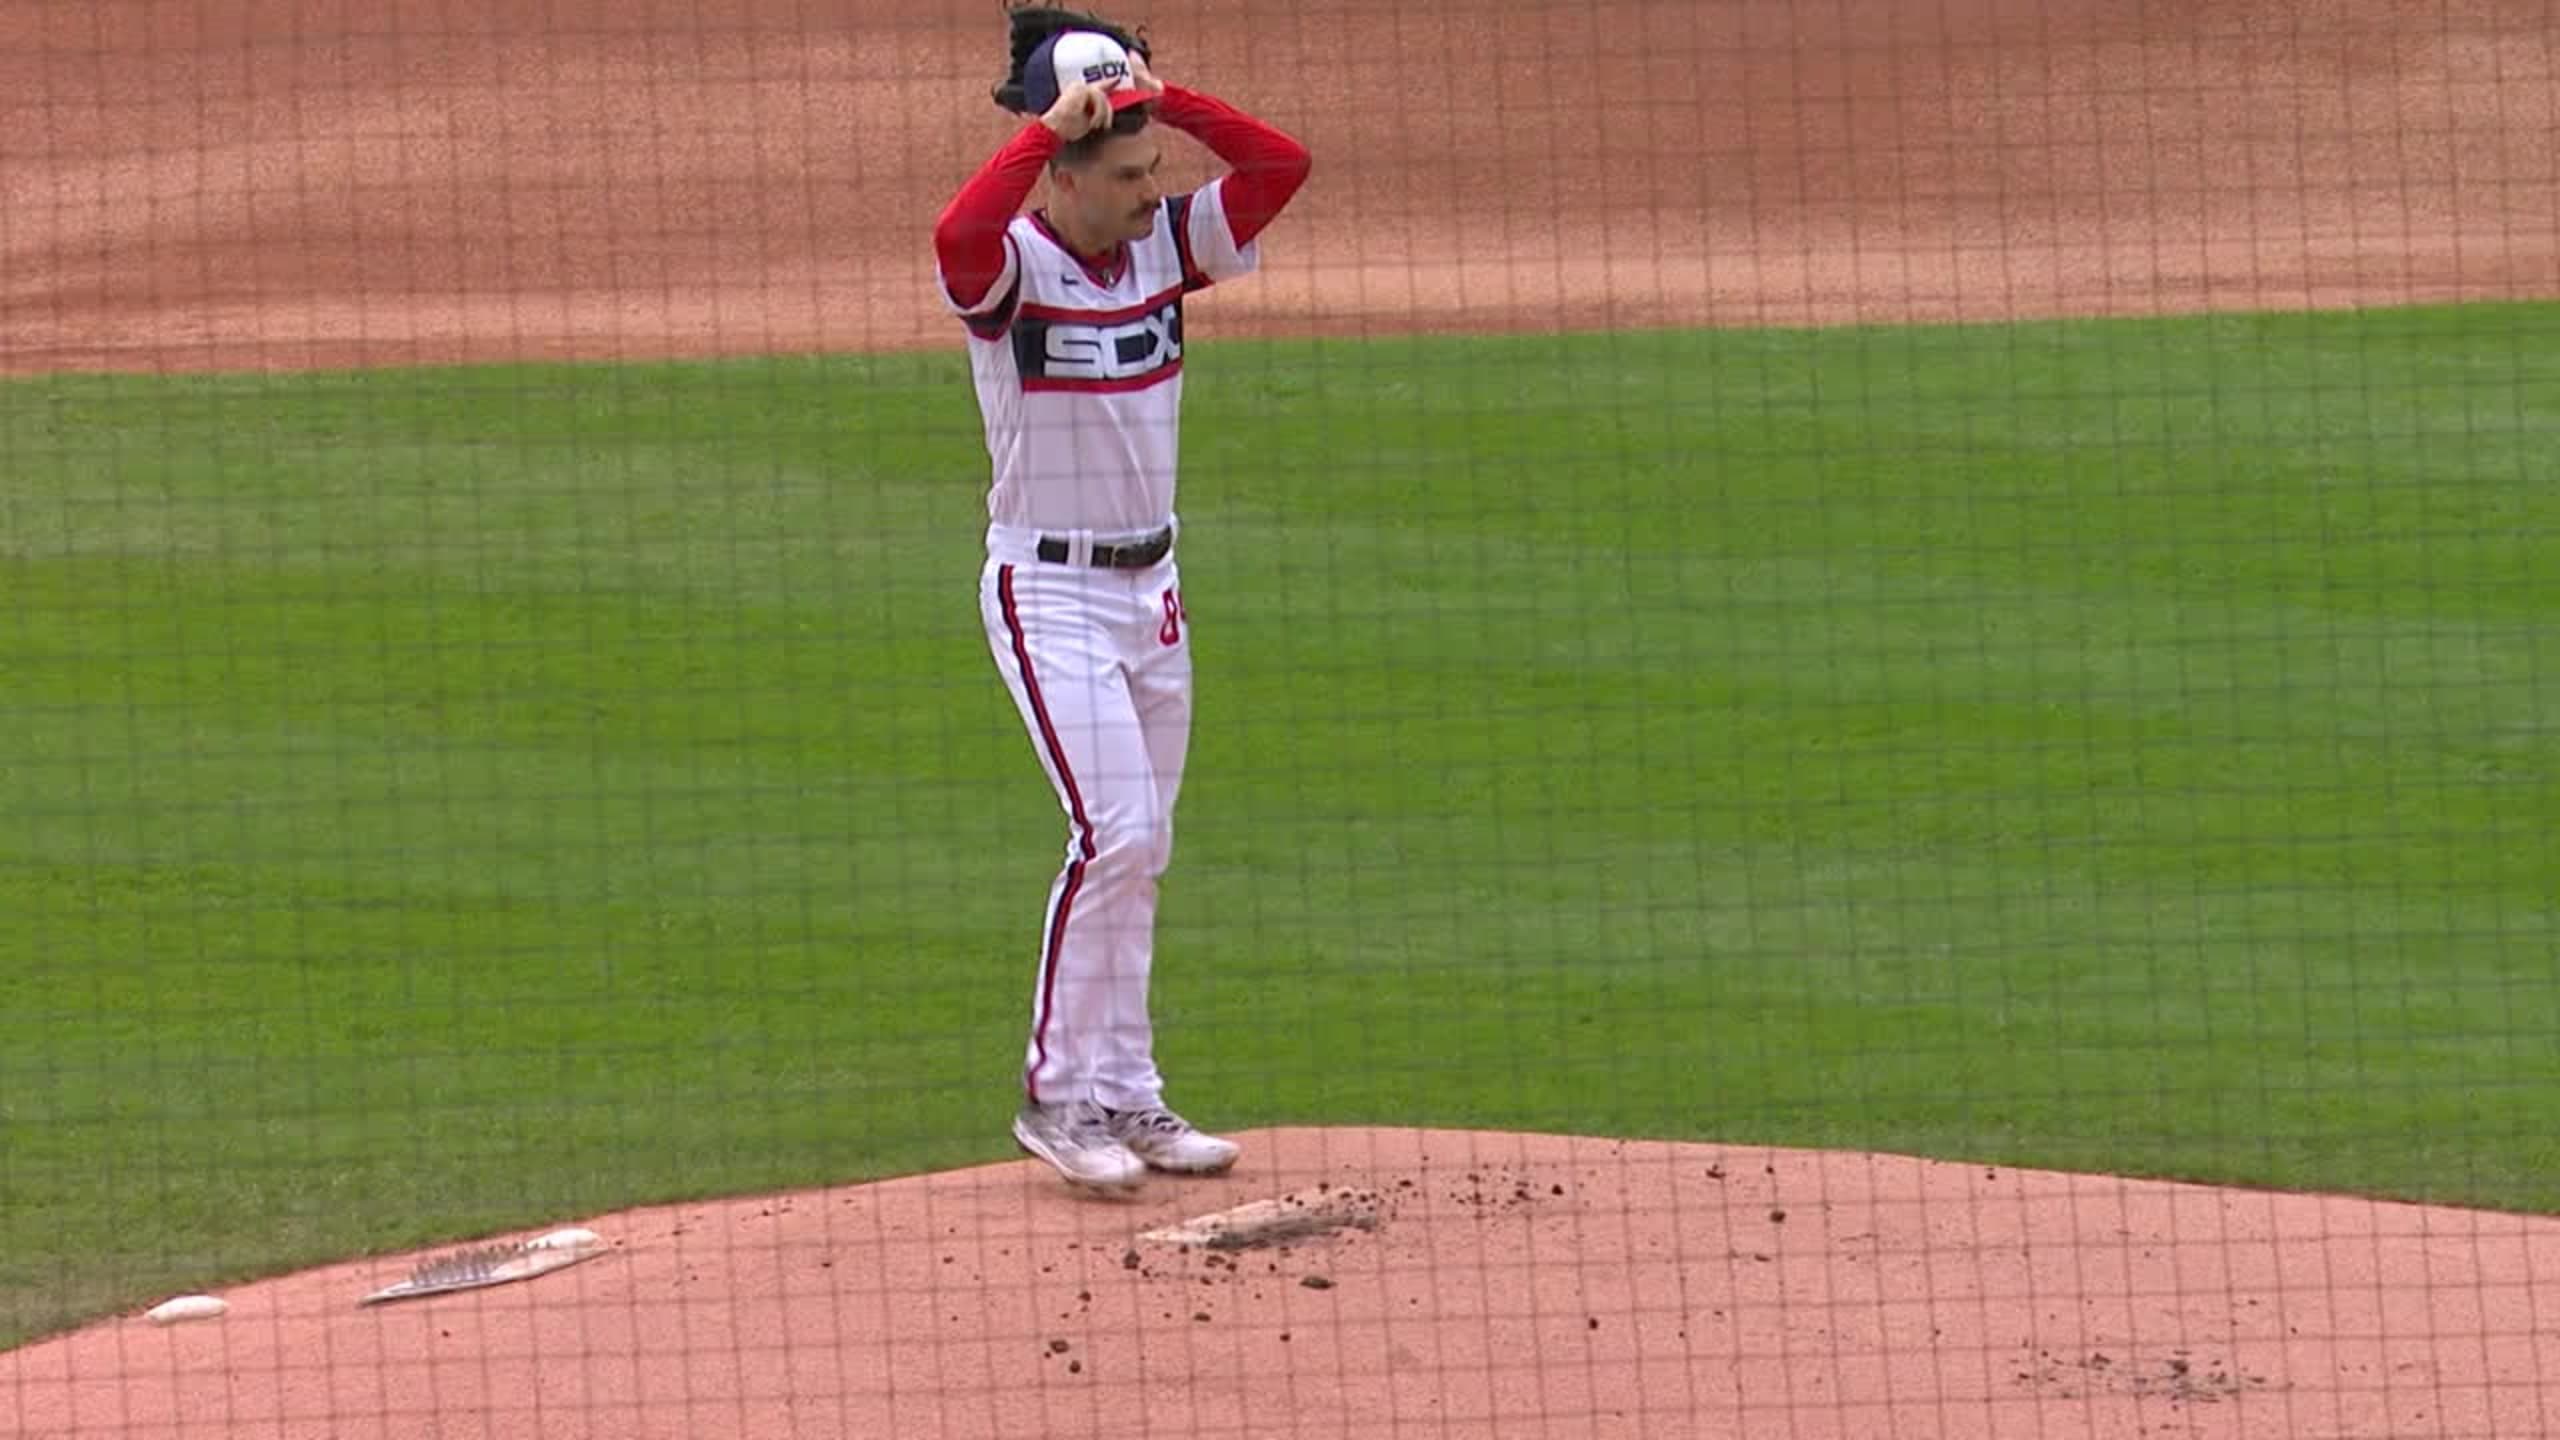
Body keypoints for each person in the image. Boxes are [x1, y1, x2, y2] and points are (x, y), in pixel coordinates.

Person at [931, 30, 1311, 1190]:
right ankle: (1054, 1097)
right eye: (1127, 174)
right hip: (1044, 588)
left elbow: (1279, 167)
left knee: (1143, 850)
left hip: (1153, 591)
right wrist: (1044, 127)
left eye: (1154, 172)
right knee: (1115, 833)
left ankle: (1127, 1093)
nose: (1154, 194)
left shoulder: (1162, 251)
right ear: (1064, 176)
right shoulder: (1012, 272)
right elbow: (957, 234)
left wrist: (1161, 98)